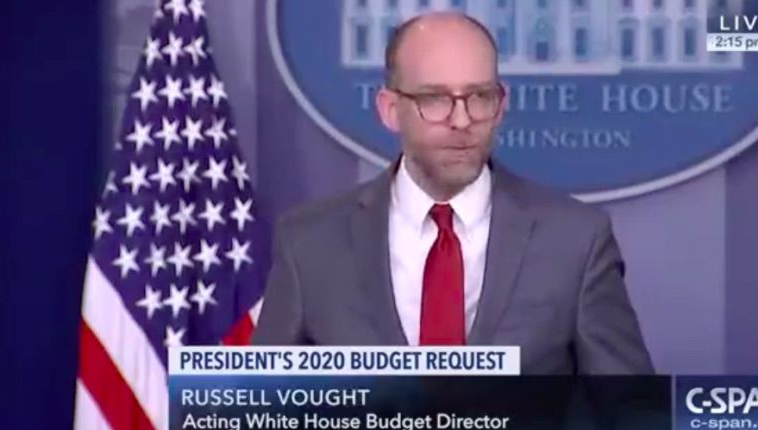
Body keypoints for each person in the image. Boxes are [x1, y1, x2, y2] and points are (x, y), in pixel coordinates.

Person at [253, 12, 653, 376]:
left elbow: (640, 420)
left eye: (479, 97)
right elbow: (251, 420)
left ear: (500, 106)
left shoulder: (575, 241)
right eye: (435, 99)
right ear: (390, 109)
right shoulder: (309, 243)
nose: (462, 120)